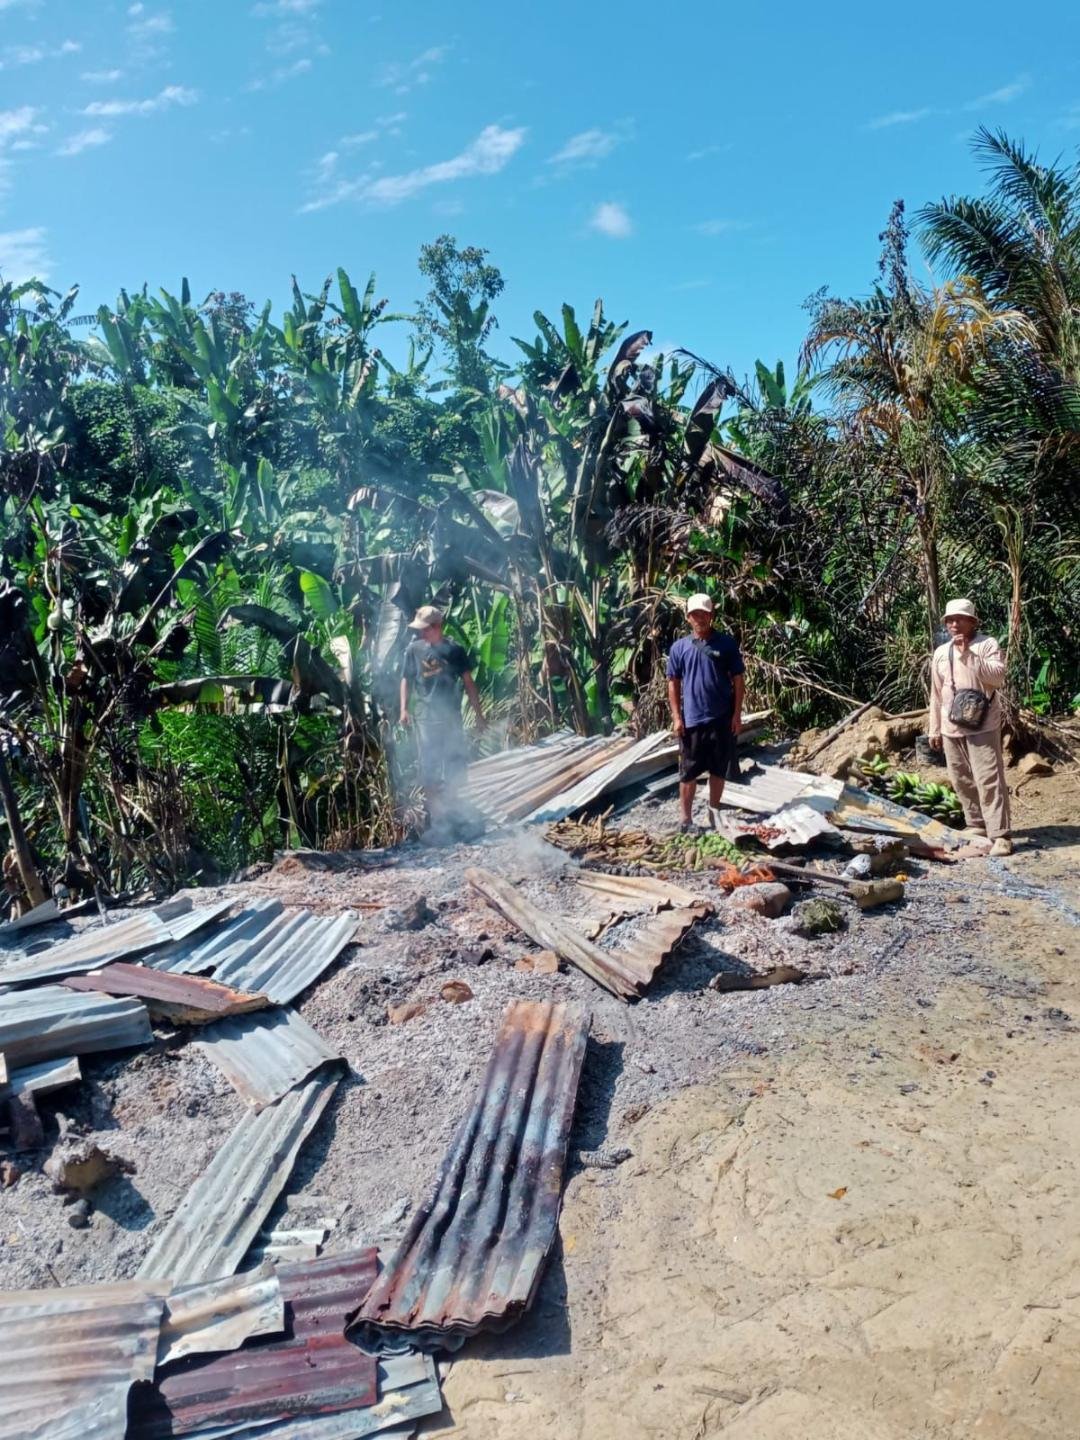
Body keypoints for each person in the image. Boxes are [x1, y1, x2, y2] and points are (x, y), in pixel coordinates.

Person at [929, 597, 1012, 856]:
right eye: (949, 620)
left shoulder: (986, 645)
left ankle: (1000, 834)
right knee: (961, 778)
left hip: (982, 723)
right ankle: (975, 823)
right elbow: (937, 693)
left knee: (989, 778)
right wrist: (934, 728)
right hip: (952, 726)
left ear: (972, 621)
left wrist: (970, 655)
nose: (953, 624)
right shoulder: (941, 652)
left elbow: (997, 678)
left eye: (958, 619)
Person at [399, 605, 486, 833]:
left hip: (451, 718)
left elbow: (468, 683)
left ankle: (455, 815)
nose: (421, 634)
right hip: (426, 719)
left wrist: (478, 714)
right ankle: (437, 821)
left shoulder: (455, 651)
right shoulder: (413, 650)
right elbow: (406, 679)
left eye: (425, 629)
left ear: (438, 627)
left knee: (455, 765)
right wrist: (403, 709)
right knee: (429, 768)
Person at [666, 593, 745, 833]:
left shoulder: (726, 644)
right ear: (688, 617)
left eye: (704, 613)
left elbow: (739, 680)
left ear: (711, 616)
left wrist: (736, 715)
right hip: (692, 720)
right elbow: (673, 683)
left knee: (718, 769)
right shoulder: (679, 648)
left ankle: (714, 815)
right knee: (688, 772)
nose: (700, 618)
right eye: (695, 614)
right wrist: (677, 718)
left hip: (721, 718)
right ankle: (686, 820)